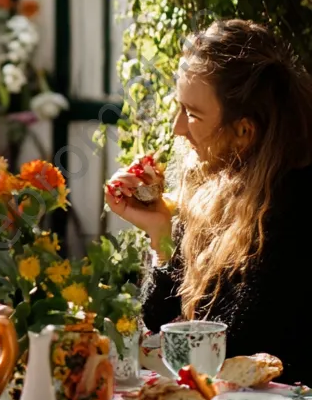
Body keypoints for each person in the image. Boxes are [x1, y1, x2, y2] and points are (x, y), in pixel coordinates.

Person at [105, 19, 312, 371]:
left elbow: (236, 348)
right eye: (179, 107)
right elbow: (160, 321)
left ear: (244, 132)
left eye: (192, 114)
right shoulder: (213, 186)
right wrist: (161, 235)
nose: (177, 127)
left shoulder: (292, 208)